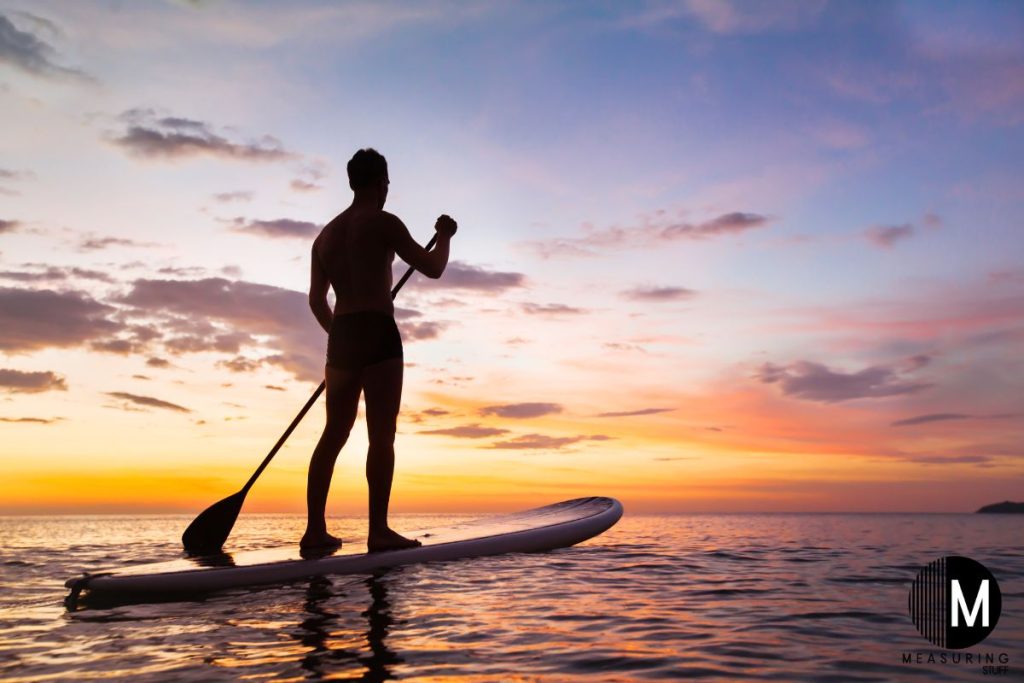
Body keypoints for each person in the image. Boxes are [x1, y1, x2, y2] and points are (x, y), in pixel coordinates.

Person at [302, 148, 456, 552]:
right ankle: (378, 531)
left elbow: (317, 301)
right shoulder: (384, 222)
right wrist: (444, 236)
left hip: (343, 335)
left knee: (333, 434)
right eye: (387, 183)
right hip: (377, 330)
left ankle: (314, 532)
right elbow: (434, 267)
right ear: (380, 183)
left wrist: (340, 337)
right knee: (381, 435)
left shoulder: (324, 237)